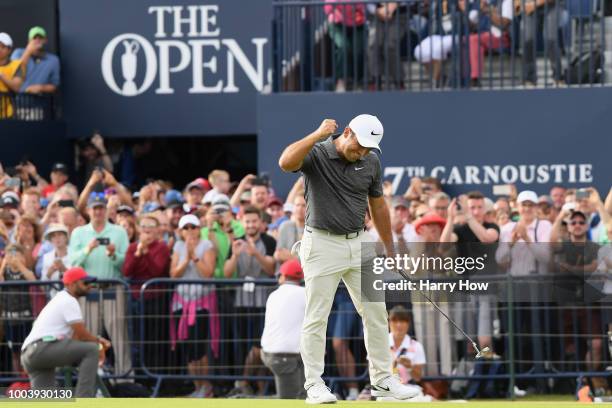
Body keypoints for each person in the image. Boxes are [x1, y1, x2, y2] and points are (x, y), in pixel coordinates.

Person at [278, 115, 421, 403]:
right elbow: (285, 162)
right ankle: (314, 385)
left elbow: (378, 206)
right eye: (360, 145)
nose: (363, 152)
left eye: (370, 148)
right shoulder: (317, 152)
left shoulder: (371, 161)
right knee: (317, 316)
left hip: (360, 243)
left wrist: (390, 250)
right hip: (320, 242)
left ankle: (382, 381)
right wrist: (317, 134)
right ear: (347, 132)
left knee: (376, 314)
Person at [20, 267, 111, 397]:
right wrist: (98, 342)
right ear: (72, 284)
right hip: (42, 348)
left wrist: (95, 341)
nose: (89, 286)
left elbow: (75, 339)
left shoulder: (61, 299)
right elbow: (81, 334)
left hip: (29, 354)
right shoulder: (69, 299)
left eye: (90, 283)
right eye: (85, 282)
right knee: (92, 350)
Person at [68, 192, 131, 377]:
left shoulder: (119, 232)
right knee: (90, 336)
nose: (98, 212)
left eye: (101, 208)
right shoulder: (79, 233)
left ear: (106, 210)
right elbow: (73, 264)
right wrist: (87, 250)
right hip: (89, 291)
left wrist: (113, 255)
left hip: (113, 288)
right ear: (88, 210)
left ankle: (125, 377)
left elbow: (125, 264)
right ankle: (91, 377)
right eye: (95, 208)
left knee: (119, 336)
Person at [170, 214, 217, 398]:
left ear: (199, 228)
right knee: (188, 347)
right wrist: (185, 259)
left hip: (201, 304)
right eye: (186, 228)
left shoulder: (207, 246)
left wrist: (195, 258)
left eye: (193, 227)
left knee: (199, 346)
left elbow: (208, 273)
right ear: (181, 231)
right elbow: (173, 274)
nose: (190, 231)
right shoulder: (178, 246)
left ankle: (206, 387)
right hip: (182, 303)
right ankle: (198, 388)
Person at [261, 259, 307, 399]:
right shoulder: (306, 294)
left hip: (273, 352)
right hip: (288, 354)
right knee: (292, 399)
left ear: (283, 276)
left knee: (296, 397)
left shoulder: (273, 295)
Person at [0, 244, 37, 374]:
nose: (13, 258)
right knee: (14, 353)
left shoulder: (24, 271)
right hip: (10, 320)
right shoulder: (4, 272)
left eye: (17, 254)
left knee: (27, 350)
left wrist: (19, 265)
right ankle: (18, 381)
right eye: (10, 254)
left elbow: (32, 279)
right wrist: (4, 264)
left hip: (25, 318)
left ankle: (28, 380)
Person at [324, 0, 366, 92]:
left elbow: (362, 5)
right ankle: (341, 81)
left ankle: (358, 82)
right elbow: (329, 7)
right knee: (343, 47)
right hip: (337, 23)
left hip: (358, 23)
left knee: (358, 50)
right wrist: (340, 14)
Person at [520, 0, 563, 86]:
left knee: (550, 39)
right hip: (529, 6)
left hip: (551, 6)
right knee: (528, 39)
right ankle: (529, 79)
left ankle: (558, 78)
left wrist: (535, 4)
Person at [10, 27, 60, 95]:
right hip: (18, 102)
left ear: (45, 40)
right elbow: (15, 72)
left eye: (40, 38)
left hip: (40, 103)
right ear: (29, 41)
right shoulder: (18, 53)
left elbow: (55, 85)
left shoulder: (53, 60)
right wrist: (28, 52)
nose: (37, 40)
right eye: (34, 38)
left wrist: (41, 88)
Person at [40, 223, 70, 298]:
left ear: (66, 237)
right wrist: (49, 273)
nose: (57, 238)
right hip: (54, 299)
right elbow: (43, 286)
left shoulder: (74, 254)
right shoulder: (46, 257)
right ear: (50, 240)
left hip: (72, 298)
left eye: (60, 234)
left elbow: (78, 280)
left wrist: (64, 270)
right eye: (53, 236)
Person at [274, 196, 306, 264]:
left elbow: (310, 261)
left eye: (304, 205)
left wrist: (290, 256)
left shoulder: (314, 230)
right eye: (297, 205)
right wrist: (299, 258)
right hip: (285, 270)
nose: (300, 208)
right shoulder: (285, 226)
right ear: (293, 208)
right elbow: (279, 254)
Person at [0, 32, 24, 119]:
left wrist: (1, 75)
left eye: (3, 47)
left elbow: (17, 87)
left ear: (9, 50)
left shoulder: (16, 65)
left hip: (7, 114)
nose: (0, 49)